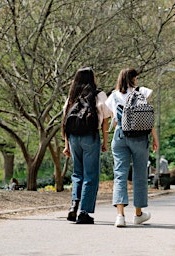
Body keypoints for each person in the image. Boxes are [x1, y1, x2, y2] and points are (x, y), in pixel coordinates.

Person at [105, 68, 159, 227]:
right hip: (140, 137)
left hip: (120, 135)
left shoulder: (113, 95)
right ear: (134, 78)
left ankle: (120, 216)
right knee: (140, 175)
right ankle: (138, 214)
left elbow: (111, 115)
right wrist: (155, 139)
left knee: (120, 175)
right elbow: (148, 118)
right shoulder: (142, 92)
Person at [62, 67, 112, 224]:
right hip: (90, 137)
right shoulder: (98, 95)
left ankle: (73, 206)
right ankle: (84, 212)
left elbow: (65, 121)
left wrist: (66, 144)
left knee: (77, 173)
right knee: (90, 175)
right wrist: (105, 142)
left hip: (73, 138)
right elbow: (105, 119)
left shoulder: (72, 96)